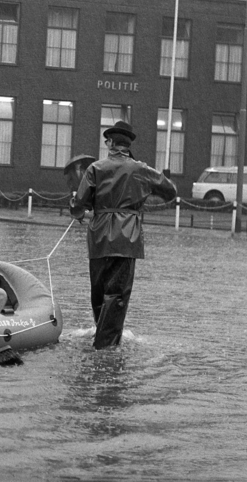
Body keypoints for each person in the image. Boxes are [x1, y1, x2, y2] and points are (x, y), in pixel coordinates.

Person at [68, 121, 177, 348]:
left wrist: (79, 211)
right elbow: (170, 192)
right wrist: (141, 196)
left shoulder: (95, 168)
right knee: (117, 294)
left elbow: (79, 205)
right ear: (127, 145)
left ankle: (101, 337)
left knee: (98, 291)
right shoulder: (141, 170)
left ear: (110, 143)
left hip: (98, 236)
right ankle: (106, 346)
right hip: (127, 237)